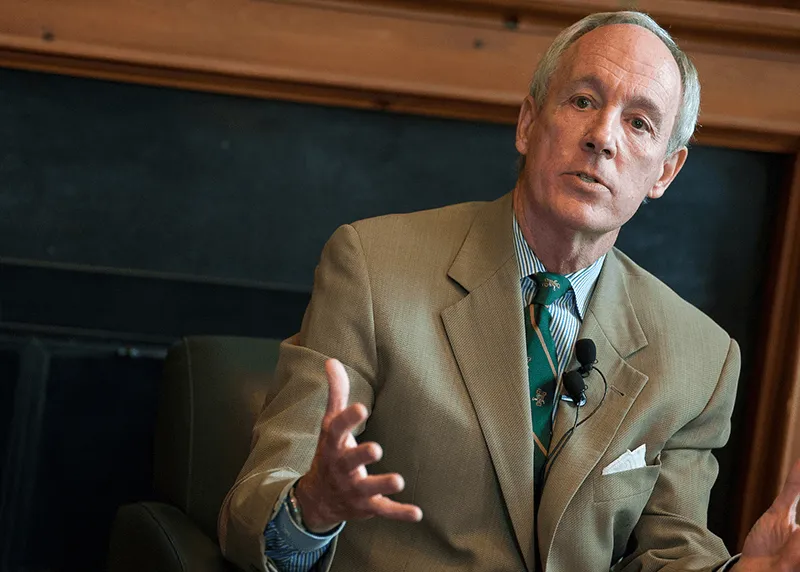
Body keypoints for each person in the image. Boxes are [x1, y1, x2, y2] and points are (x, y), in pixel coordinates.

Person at [218, 10, 800, 572]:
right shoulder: (372, 268)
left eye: (639, 122)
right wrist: (311, 508)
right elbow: (252, 509)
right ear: (528, 123)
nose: (602, 137)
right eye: (583, 101)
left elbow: (670, 555)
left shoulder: (701, 358)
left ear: (665, 172)